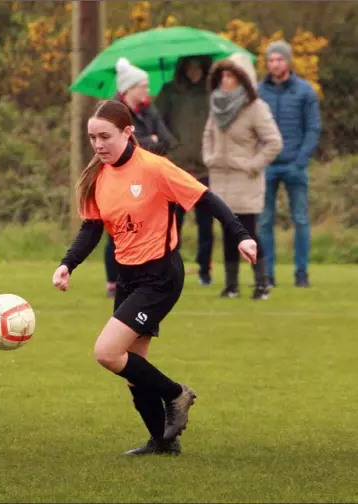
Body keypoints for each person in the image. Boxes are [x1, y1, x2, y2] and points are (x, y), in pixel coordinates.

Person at [52, 100, 257, 456]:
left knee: (107, 352)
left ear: (128, 132)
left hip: (160, 276)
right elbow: (92, 227)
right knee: (135, 369)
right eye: (92, 138)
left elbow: (205, 198)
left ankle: (176, 394)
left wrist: (241, 234)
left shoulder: (155, 168)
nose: (98, 145)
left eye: (105, 136)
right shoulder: (97, 177)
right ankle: (162, 443)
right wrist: (68, 263)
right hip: (129, 277)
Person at [203, 53, 283, 299]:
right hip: (220, 180)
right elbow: (208, 135)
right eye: (223, 76)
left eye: (231, 76)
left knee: (247, 233)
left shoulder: (255, 107)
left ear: (243, 79)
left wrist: (252, 165)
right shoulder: (216, 105)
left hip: (244, 181)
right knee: (227, 233)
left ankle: (261, 283)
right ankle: (231, 286)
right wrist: (210, 158)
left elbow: (274, 142)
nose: (225, 81)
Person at [104, 57, 172, 298]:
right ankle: (113, 281)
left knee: (141, 229)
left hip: (146, 178)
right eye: (144, 86)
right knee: (119, 228)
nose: (147, 90)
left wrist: (145, 142)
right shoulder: (113, 112)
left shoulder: (149, 110)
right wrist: (147, 141)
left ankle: (138, 276)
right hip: (118, 177)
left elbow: (165, 141)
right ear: (130, 88)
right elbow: (119, 144)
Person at [258, 41, 321, 287]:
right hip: (267, 166)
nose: (275, 64)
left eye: (279, 59)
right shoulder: (258, 91)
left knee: (301, 219)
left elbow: (313, 128)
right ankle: (268, 274)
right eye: (271, 60)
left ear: (288, 61)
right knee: (264, 221)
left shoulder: (305, 91)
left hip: (295, 165)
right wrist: (259, 158)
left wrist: (300, 161)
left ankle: (301, 273)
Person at [155, 56, 214, 286]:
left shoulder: (212, 93)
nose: (194, 72)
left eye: (199, 68)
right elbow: (157, 122)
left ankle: (205, 271)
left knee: (206, 226)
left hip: (204, 167)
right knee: (172, 226)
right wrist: (172, 146)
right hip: (176, 168)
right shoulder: (169, 92)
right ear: (183, 69)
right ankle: (170, 270)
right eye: (190, 68)